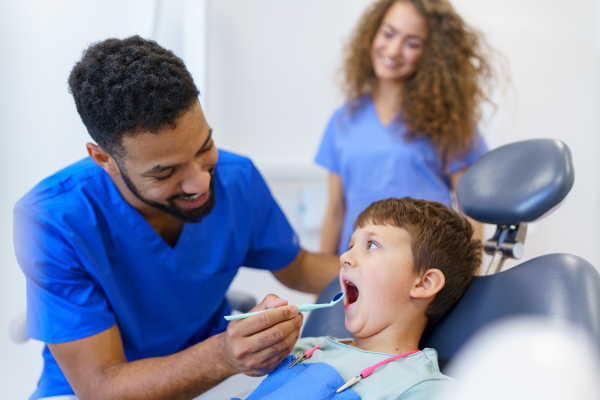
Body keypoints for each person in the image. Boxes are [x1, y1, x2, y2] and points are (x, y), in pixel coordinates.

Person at [13, 36, 339, 400]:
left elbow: (301, 268)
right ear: (104, 159)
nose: (200, 183)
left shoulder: (237, 178)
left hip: (213, 379)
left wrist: (381, 267)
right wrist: (226, 355)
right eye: (164, 173)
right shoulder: (53, 222)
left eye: (205, 148)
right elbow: (102, 386)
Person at [234, 197, 481, 399]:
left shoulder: (424, 387)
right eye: (350, 245)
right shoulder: (304, 348)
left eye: (372, 245)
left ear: (424, 283)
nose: (344, 256)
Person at [316, 0, 497, 257]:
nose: (393, 50)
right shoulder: (343, 120)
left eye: (412, 43)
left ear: (432, 53)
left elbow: (470, 209)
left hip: (426, 268)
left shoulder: (449, 121)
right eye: (388, 34)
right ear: (373, 33)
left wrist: (473, 284)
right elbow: (335, 211)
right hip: (359, 274)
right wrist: (320, 287)